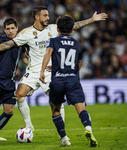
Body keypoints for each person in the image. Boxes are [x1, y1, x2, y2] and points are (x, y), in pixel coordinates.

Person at [0, 6, 108, 132]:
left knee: (56, 101)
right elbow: (9, 44)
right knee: (19, 94)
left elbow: (73, 26)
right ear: (37, 17)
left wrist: (91, 20)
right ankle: (29, 126)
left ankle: (62, 133)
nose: (48, 18)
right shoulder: (26, 33)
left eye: (48, 15)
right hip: (32, 71)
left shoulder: (53, 29)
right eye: (45, 15)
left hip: (49, 70)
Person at [39, 15, 98, 147]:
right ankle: (88, 128)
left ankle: (64, 138)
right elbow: (79, 63)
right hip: (73, 80)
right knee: (81, 107)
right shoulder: (77, 43)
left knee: (55, 110)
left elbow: (48, 54)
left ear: (58, 29)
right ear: (72, 30)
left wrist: (42, 71)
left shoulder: (53, 41)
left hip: (57, 81)